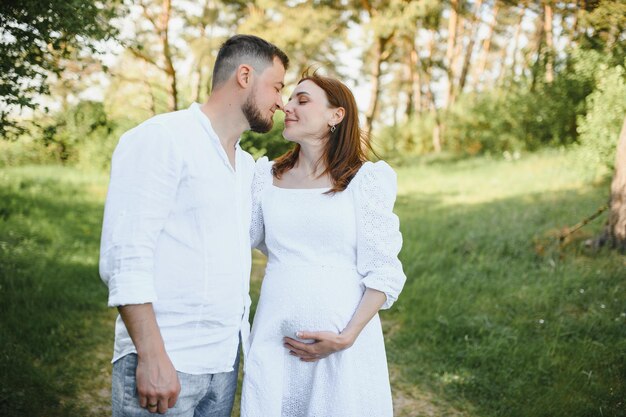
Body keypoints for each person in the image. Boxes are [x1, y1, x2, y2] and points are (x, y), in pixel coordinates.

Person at [99, 34, 288, 417]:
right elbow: (125, 256)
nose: (281, 101)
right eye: (277, 86)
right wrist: (152, 357)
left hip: (223, 365)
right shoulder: (161, 138)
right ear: (245, 75)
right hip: (166, 362)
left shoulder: (247, 167)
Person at [241, 72, 406, 417]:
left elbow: (384, 271)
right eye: (289, 99)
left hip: (343, 348)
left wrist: (346, 337)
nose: (287, 106)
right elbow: (248, 240)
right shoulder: (265, 177)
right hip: (274, 336)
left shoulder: (365, 181)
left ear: (336, 115)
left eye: (302, 100)